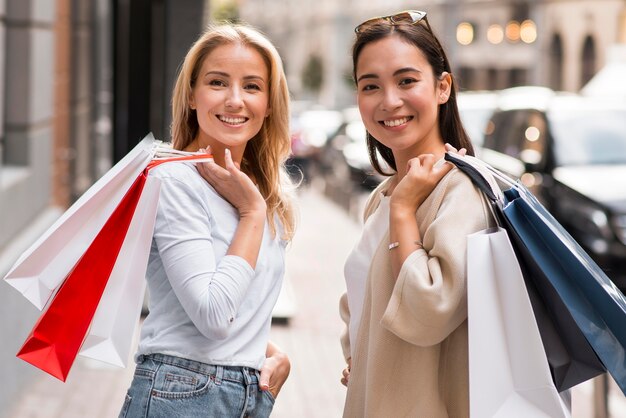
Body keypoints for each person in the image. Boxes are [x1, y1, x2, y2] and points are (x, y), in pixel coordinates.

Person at [119, 23, 296, 418]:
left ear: (269, 104)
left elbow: (237, 308)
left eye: (252, 86)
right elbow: (213, 315)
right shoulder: (175, 180)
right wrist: (252, 215)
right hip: (181, 391)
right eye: (218, 82)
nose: (235, 100)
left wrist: (270, 352)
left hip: (244, 393)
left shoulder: (263, 190)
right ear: (192, 96)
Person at [338, 10, 497, 418]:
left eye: (407, 81)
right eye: (370, 85)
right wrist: (362, 349)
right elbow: (364, 297)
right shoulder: (385, 194)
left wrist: (405, 212)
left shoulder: (460, 191)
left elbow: (430, 309)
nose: (389, 101)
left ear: (443, 87)